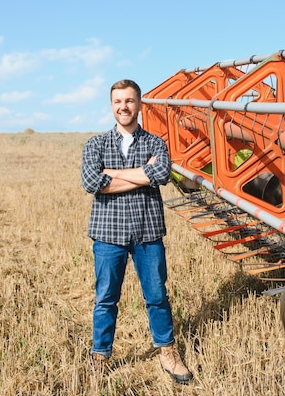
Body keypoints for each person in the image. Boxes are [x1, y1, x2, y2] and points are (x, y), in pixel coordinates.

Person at [81, 79, 193, 385]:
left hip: (147, 231)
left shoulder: (156, 143)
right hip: (108, 234)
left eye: (129, 101)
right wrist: (142, 175)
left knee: (157, 297)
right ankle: (100, 355)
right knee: (105, 298)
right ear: (111, 105)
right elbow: (91, 182)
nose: (124, 107)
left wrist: (112, 175)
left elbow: (161, 173)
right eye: (118, 101)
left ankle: (168, 353)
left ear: (139, 104)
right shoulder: (95, 144)